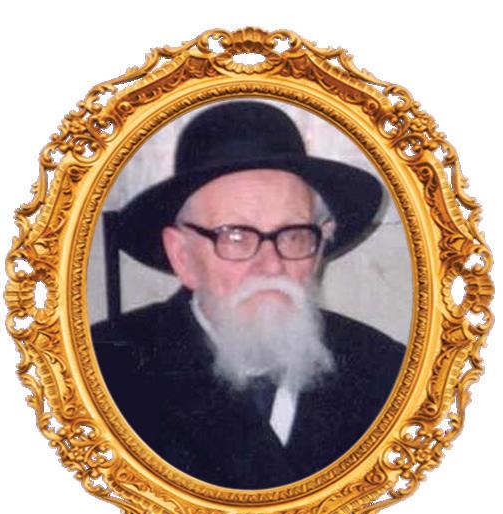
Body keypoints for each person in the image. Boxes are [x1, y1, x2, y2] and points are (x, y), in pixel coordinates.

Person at [91, 101, 406, 489]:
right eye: (236, 237)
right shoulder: (102, 375)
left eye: (294, 235)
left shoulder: (384, 374)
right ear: (182, 256)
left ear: (321, 244)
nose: (271, 266)